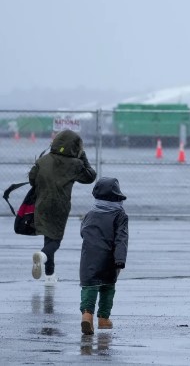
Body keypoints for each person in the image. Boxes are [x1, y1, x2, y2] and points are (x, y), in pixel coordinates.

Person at [30, 129, 97, 284]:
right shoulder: (74, 164)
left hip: (41, 204)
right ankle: (42, 255)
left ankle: (49, 276)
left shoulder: (43, 160)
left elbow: (32, 179)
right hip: (60, 206)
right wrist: (83, 156)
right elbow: (90, 176)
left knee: (49, 236)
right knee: (55, 240)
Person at [79, 177, 129, 335]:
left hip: (88, 256)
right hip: (109, 257)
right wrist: (120, 259)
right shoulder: (120, 215)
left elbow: (83, 231)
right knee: (108, 287)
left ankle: (87, 315)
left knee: (89, 286)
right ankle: (103, 319)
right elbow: (121, 238)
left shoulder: (91, 213)